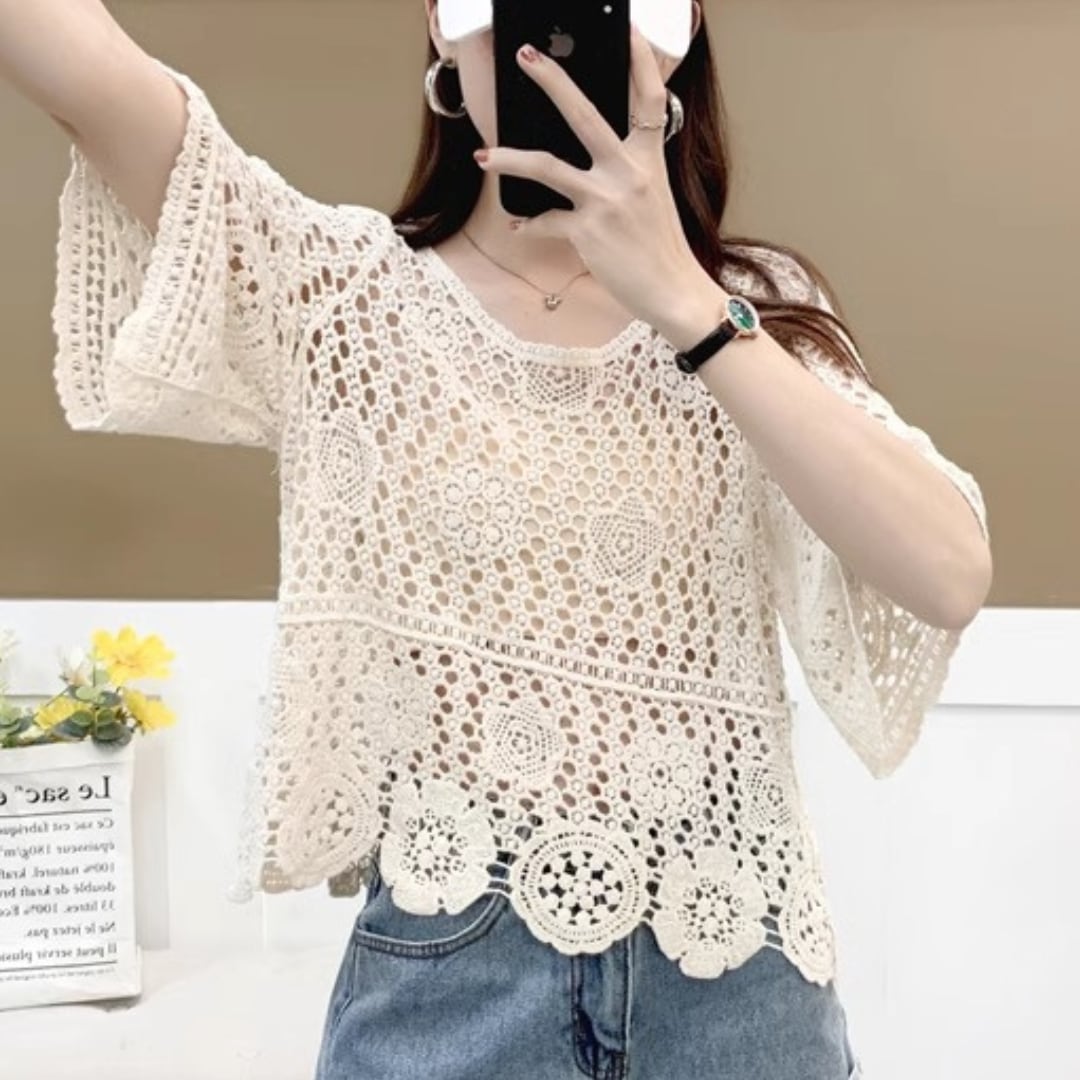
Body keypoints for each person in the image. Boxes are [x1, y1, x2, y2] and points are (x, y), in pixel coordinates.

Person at [2, 1, 992, 1077]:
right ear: (441, 27)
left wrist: (683, 300)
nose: (545, 45)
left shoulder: (754, 308)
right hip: (452, 967)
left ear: (675, 40)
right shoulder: (341, 293)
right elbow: (83, 72)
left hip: (732, 961)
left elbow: (947, 572)